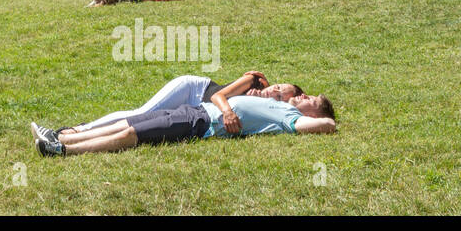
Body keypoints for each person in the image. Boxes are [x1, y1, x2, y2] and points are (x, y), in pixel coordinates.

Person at [32, 91, 337, 156]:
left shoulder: (292, 118)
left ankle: (60, 150)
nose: (306, 95)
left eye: (313, 98)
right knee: (128, 121)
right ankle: (63, 139)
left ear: (313, 113)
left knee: (130, 133)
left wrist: (325, 119)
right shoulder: (282, 105)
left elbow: (327, 126)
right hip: (196, 109)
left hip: (202, 124)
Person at [44, 71, 305, 136]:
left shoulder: (266, 107)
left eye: (281, 96)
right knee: (143, 112)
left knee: (143, 119)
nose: (276, 92)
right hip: (194, 90)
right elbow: (218, 96)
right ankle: (80, 130)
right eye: (280, 87)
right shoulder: (252, 81)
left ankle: (81, 131)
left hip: (194, 110)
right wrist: (227, 111)